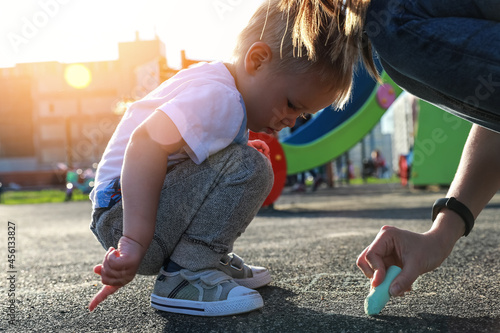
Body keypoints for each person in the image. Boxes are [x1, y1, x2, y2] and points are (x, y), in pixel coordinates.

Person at [88, 0, 358, 316]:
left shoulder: (222, 88)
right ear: (257, 61)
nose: (291, 120)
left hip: (129, 213)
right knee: (252, 167)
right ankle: (186, 274)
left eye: (303, 114)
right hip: (125, 219)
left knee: (248, 162)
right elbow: (145, 143)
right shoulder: (220, 97)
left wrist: (230, 154)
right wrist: (132, 242)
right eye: (291, 104)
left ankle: (201, 259)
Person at [279, 0, 500, 298]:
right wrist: (440, 236)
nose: (289, 122)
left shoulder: (393, 22)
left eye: (296, 108)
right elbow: (493, 113)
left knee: (392, 25)